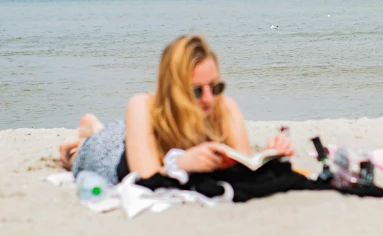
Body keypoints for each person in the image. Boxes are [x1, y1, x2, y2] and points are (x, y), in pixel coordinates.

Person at [59, 35, 293, 184]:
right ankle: (87, 131)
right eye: (196, 91)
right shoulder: (142, 105)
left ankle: (93, 126)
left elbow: (246, 167)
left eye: (215, 87)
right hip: (111, 154)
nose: (209, 99)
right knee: (73, 157)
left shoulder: (224, 106)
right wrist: (180, 163)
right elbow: (145, 177)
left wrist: (270, 154)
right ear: (174, 90)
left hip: (137, 138)